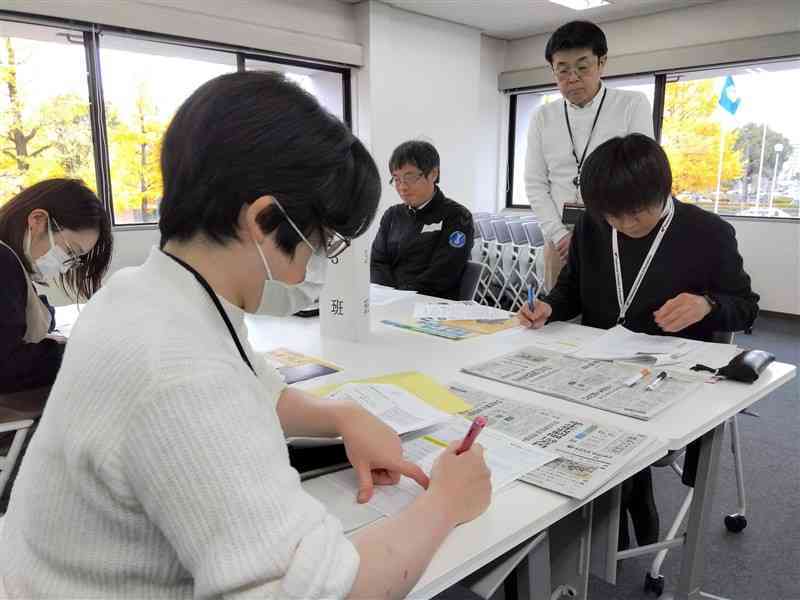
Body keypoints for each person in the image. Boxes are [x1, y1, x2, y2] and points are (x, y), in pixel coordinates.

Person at [0, 72, 491, 599]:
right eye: (320, 242)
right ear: (264, 219)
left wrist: (342, 416)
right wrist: (445, 504)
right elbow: (323, 592)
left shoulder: (142, 292)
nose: (310, 269)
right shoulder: (180, 372)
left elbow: (258, 385)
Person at [520, 133, 759, 549]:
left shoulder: (709, 233)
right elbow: (571, 289)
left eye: (633, 214)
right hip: (596, 365)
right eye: (612, 216)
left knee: (620, 442)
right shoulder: (595, 225)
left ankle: (631, 515)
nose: (623, 225)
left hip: (669, 373)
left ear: (663, 191)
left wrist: (707, 304)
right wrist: (548, 307)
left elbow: (745, 306)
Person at [0, 179, 112, 512]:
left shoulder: (12, 265)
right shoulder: (2, 263)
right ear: (37, 221)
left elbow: (29, 313)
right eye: (71, 252)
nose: (67, 264)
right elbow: (6, 364)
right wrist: (76, 351)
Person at [525, 20, 654, 291]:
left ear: (601, 63)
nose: (572, 78)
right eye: (562, 70)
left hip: (618, 234)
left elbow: (640, 176)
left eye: (582, 67)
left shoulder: (631, 104)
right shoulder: (543, 116)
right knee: (557, 319)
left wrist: (610, 229)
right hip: (560, 240)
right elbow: (535, 183)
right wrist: (559, 236)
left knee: (611, 316)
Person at [371, 140, 474, 300]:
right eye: (396, 179)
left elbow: (443, 273)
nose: (402, 187)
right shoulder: (392, 215)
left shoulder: (457, 216)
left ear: (433, 174)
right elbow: (377, 262)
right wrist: (388, 296)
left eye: (409, 178)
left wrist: (401, 297)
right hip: (388, 302)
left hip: (431, 305)